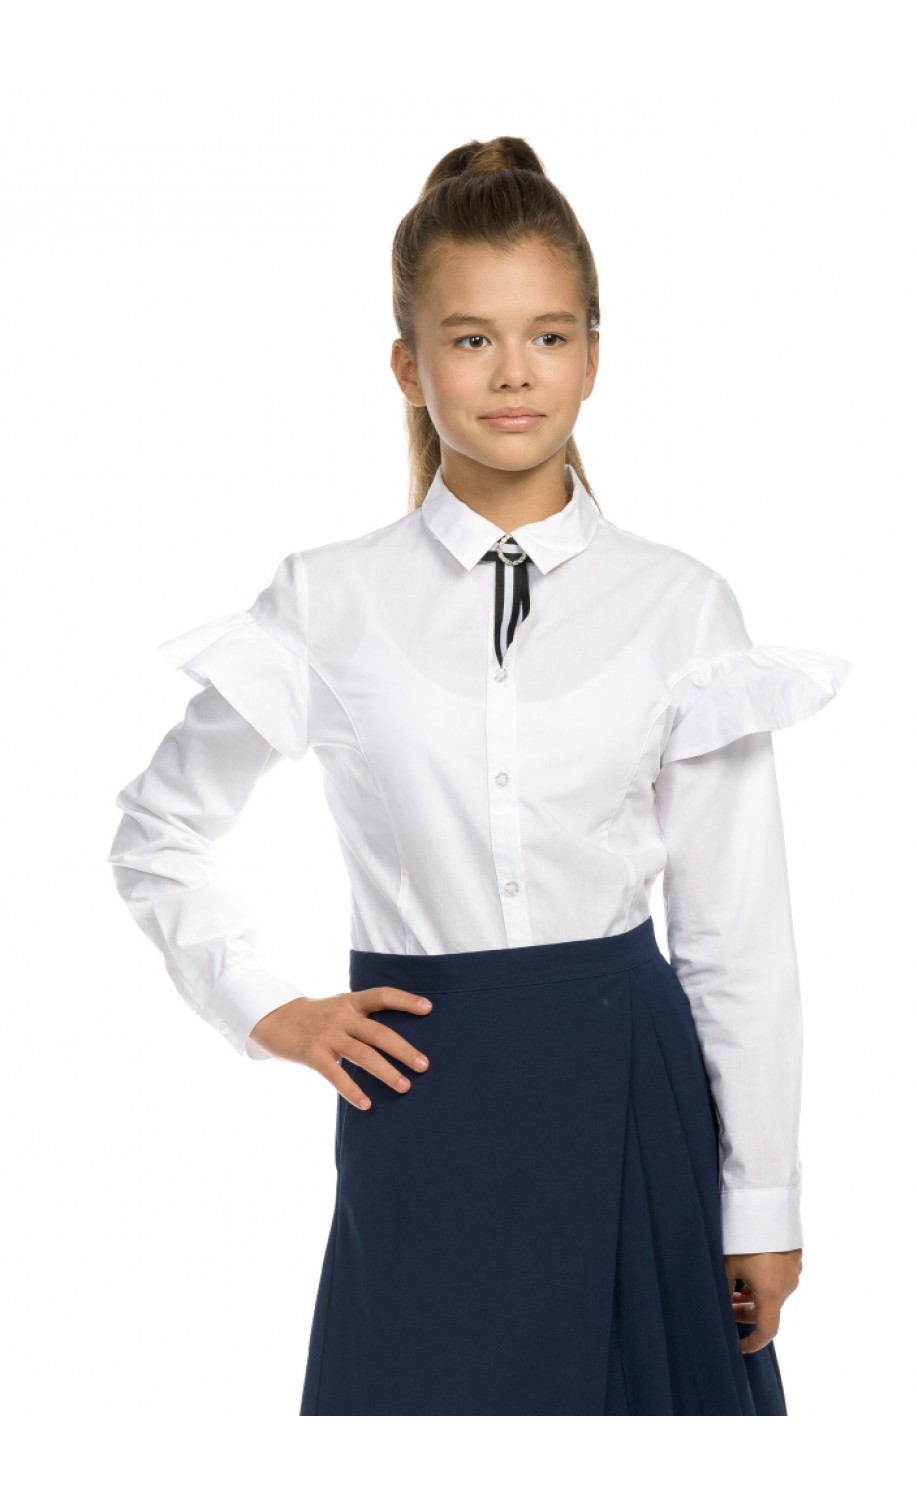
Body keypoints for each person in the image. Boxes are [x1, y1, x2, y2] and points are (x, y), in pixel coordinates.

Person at [107, 135, 850, 1416]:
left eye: (548, 336)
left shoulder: (678, 605)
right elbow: (158, 834)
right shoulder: (327, 600)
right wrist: (270, 1010)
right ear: (408, 366)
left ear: (593, 357)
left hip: (630, 1093)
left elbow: (737, 935)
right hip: (423, 1096)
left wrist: (763, 1202)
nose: (514, 372)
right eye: (470, 338)